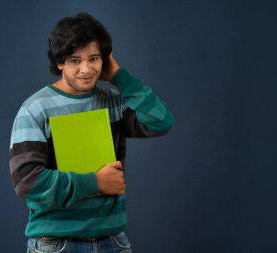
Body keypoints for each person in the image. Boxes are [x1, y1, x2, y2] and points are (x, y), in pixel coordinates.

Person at [9, 12, 174, 253]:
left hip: (113, 241)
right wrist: (95, 183)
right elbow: (27, 181)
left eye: (94, 58)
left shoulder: (114, 103)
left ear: (105, 60)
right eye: (75, 60)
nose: (86, 69)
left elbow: (161, 122)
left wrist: (121, 78)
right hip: (57, 244)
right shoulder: (36, 108)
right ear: (60, 62)